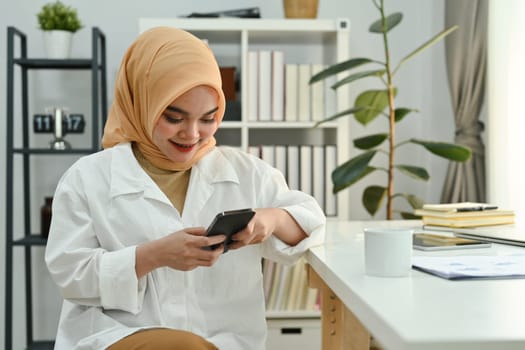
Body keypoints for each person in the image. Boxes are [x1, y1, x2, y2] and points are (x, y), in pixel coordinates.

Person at [45, 26, 325, 350]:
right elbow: (70, 274)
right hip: (115, 335)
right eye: (174, 117)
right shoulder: (88, 178)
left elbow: (310, 223)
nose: (192, 134)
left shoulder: (247, 173)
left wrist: (271, 220)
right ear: (141, 103)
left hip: (224, 341)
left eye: (208, 118)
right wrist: (152, 256)